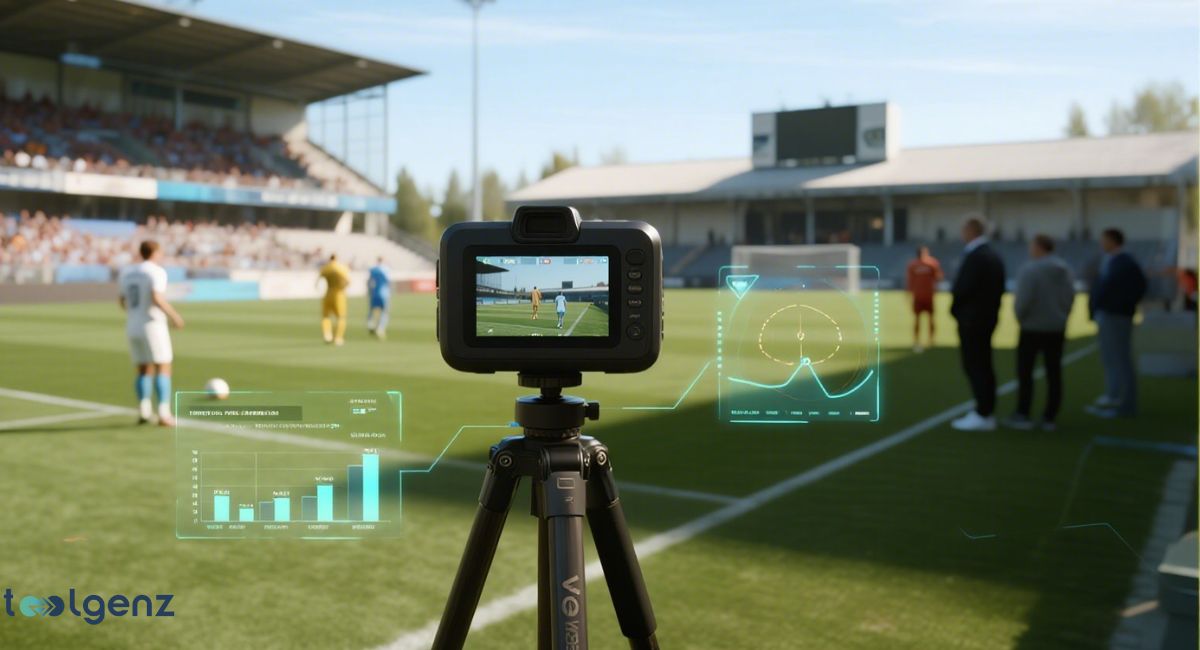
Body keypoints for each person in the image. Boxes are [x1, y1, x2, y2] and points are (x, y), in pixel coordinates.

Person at [1005, 234, 1075, 431]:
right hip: (1056, 328)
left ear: (1039, 247)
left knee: (1025, 372)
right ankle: (1049, 417)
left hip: (1032, 328)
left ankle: (1023, 413)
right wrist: (1062, 316)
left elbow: (1023, 301)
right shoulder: (1065, 270)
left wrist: (1022, 318)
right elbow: (1070, 297)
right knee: (1054, 372)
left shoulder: (1031, 269)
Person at [118, 240, 185, 426]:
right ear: (155, 252)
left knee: (143, 369)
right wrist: (174, 316)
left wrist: (135, 314)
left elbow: (122, 301)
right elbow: (157, 297)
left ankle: (144, 411)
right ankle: (164, 414)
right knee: (163, 367)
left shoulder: (127, 272)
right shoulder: (156, 271)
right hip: (152, 325)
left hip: (133, 325)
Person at [950, 215, 1006, 431]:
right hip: (986, 318)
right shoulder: (992, 255)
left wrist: (957, 311)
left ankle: (983, 411)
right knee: (983, 364)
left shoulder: (977, 256)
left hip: (973, 321)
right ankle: (985, 409)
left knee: (976, 365)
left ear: (972, 230)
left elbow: (964, 289)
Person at [1086, 228, 1147, 418]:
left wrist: (1120, 305)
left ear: (1113, 241)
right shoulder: (1110, 261)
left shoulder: (1126, 262)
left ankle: (1126, 404)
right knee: (1109, 356)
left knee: (1121, 358)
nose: (1101, 243)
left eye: (1104, 240)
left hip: (1117, 316)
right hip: (1107, 314)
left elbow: (1139, 286)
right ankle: (1113, 394)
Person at [906, 245, 943, 352]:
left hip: (929, 296)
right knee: (917, 319)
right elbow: (910, 280)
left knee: (931, 318)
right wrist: (909, 293)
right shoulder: (913, 265)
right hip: (918, 296)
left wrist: (935, 288)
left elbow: (938, 277)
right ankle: (916, 340)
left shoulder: (932, 263)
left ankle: (931, 340)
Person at [318, 253, 351, 346]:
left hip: (328, 293)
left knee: (325, 316)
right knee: (341, 317)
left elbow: (317, 281)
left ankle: (327, 334)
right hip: (339, 294)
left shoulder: (326, 268)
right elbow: (348, 281)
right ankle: (338, 338)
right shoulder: (342, 268)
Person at [366, 257, 391, 340]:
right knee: (384, 311)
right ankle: (380, 328)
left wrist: (369, 292)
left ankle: (370, 324)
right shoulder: (386, 269)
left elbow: (369, 282)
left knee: (371, 310)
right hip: (384, 293)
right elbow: (388, 281)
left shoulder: (372, 270)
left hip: (374, 293)